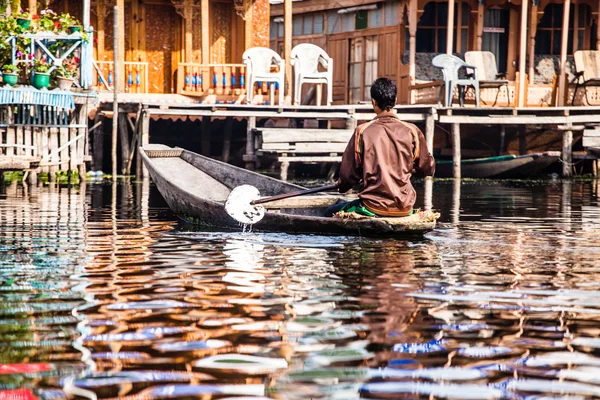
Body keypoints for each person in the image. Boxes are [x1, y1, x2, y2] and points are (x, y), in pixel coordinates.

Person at [326, 77, 435, 218]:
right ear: (395, 101)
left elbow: (348, 176)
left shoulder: (362, 131)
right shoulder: (412, 131)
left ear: (373, 102)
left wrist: (342, 185)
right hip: (404, 207)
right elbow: (428, 168)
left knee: (330, 211)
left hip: (373, 207)